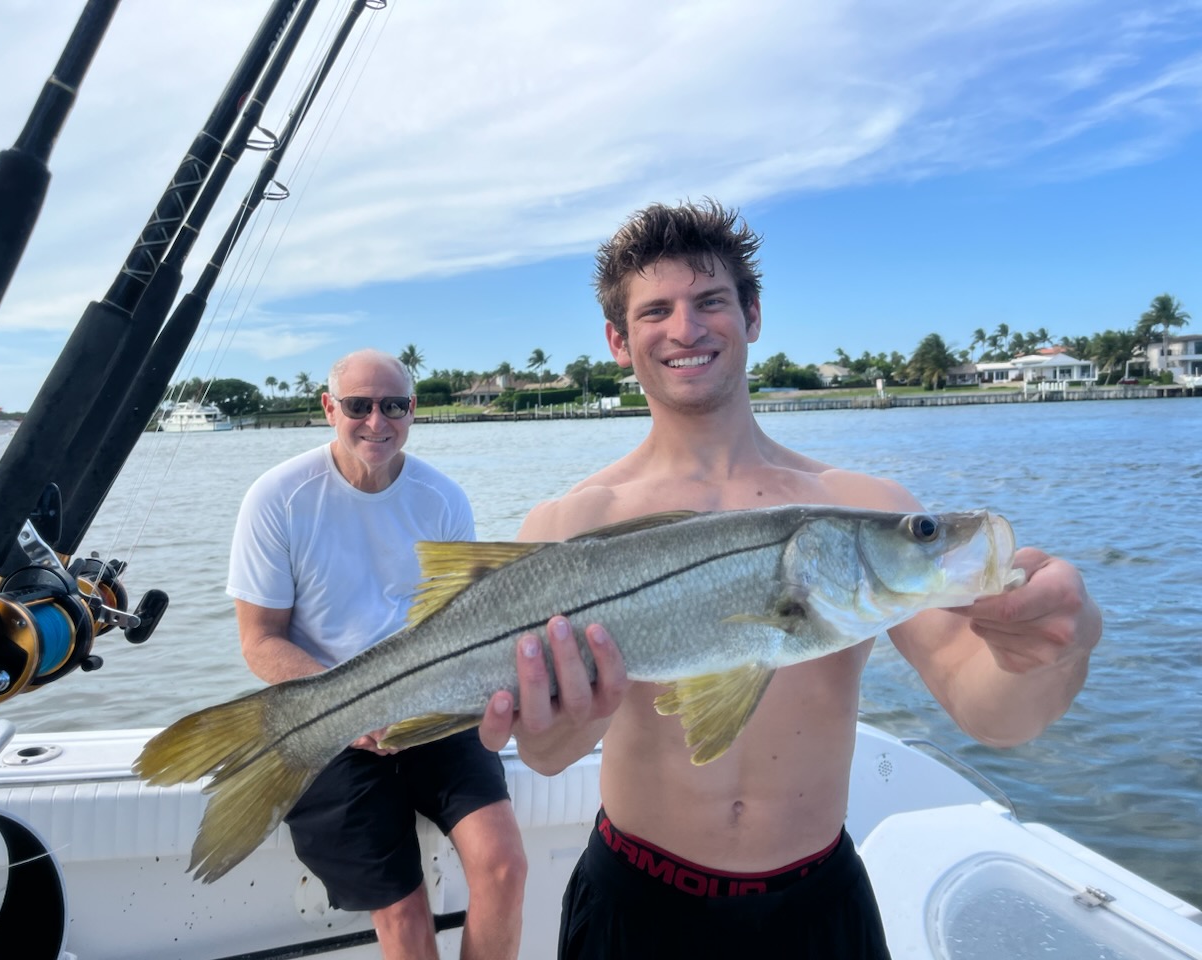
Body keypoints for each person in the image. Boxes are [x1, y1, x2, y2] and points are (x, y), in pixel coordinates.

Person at [478, 200, 1103, 958]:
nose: (686, 328)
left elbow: (994, 714)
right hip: (634, 903)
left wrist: (1054, 649)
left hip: (818, 903)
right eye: (656, 311)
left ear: (753, 316)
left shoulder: (864, 508)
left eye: (711, 301)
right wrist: (562, 731)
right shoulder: (569, 523)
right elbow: (543, 756)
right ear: (618, 339)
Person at [227, 348, 526, 960]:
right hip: (327, 714)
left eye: (394, 405)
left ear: (413, 411)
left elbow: (463, 626)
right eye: (359, 406)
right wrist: (353, 710)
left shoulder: (442, 498)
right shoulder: (278, 497)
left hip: (433, 707)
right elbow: (260, 640)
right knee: (403, 914)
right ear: (329, 408)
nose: (377, 421)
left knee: (504, 868)